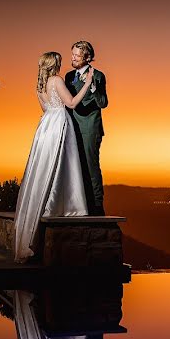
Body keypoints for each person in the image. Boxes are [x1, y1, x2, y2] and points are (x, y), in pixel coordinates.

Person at [13, 52, 94, 263]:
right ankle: (64, 205)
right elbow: (72, 103)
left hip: (45, 126)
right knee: (62, 165)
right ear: (54, 64)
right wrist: (88, 84)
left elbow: (45, 109)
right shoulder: (57, 80)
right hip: (58, 125)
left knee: (43, 168)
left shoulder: (39, 87)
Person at [65, 40, 109, 216]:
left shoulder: (98, 75)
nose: (73, 58)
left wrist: (93, 87)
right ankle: (80, 203)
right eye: (72, 54)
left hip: (90, 128)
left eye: (77, 55)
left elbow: (103, 103)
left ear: (88, 57)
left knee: (91, 166)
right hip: (72, 127)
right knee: (76, 167)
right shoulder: (68, 76)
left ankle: (97, 205)